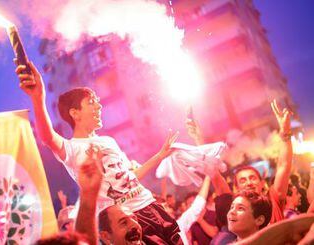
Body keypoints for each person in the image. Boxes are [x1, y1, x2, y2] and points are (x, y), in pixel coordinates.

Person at [16, 62, 180, 244]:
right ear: (75, 113)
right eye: (92, 102)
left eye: (98, 102)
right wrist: (38, 98)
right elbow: (47, 137)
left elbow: (130, 177)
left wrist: (160, 155)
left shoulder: (108, 141)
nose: (99, 107)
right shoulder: (71, 148)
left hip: (151, 205)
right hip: (130, 219)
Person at [185, 100, 292, 244]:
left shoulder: (273, 200)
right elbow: (214, 173)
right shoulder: (233, 209)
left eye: (252, 178)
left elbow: (283, 166)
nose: (248, 182)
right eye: (242, 180)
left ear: (262, 183)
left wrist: (285, 134)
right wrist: (199, 140)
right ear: (235, 189)